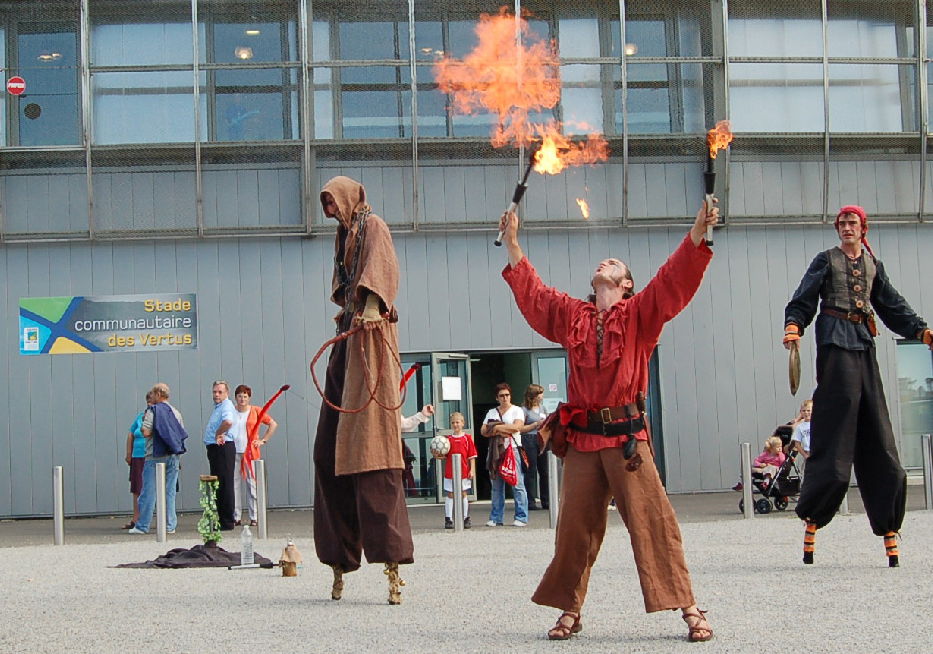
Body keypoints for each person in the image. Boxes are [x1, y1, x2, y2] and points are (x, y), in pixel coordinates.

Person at [497, 199, 718, 642]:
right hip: (581, 442)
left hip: (626, 441)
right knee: (574, 530)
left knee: (652, 522)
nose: (605, 262)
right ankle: (569, 610)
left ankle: (689, 606)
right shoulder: (571, 316)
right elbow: (536, 295)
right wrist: (514, 242)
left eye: (613, 263)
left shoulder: (641, 314)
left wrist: (698, 229)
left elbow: (674, 279)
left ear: (627, 283)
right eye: (602, 261)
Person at [783, 204, 933, 567]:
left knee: (877, 429)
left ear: (863, 228)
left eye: (852, 222)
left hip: (863, 343)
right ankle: (817, 507)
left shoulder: (871, 265)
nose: (846, 227)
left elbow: (890, 304)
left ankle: (888, 521)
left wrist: (920, 330)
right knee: (837, 424)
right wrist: (794, 325)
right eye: (841, 223)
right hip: (835, 342)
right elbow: (803, 297)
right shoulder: (826, 260)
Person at [313, 175, 412, 605]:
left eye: (333, 202)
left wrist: (371, 306)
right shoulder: (343, 234)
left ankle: (390, 563)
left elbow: (383, 269)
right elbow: (343, 288)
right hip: (348, 338)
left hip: (371, 339)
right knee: (326, 452)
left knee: (373, 454)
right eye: (326, 204)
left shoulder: (374, 226)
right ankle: (338, 556)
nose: (330, 210)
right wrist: (352, 312)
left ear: (350, 198)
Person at [128, 383, 187, 535]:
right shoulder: (176, 412)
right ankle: (170, 525)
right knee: (169, 492)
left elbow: (146, 432)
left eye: (153, 393)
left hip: (154, 456)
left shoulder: (152, 410)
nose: (152, 396)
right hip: (173, 456)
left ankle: (142, 525)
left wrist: (143, 428)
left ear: (159, 394)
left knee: (148, 491)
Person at [481, 382, 529, 527]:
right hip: (496, 450)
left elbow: (517, 427)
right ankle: (496, 517)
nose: (505, 398)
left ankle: (521, 516)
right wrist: (502, 429)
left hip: (512, 449)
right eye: (502, 396)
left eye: (507, 395)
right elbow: (484, 430)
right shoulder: (492, 412)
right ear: (497, 397)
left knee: (517, 483)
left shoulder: (517, 410)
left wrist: (495, 428)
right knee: (496, 485)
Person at [232, 384, 278, 527]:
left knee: (252, 484)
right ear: (236, 398)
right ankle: (236, 516)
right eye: (240, 396)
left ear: (249, 398)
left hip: (250, 453)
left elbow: (272, 424)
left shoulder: (255, 411)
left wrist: (263, 440)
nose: (242, 399)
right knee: (235, 484)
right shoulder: (231, 411)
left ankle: (254, 516)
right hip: (234, 452)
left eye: (245, 396)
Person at [204, 380, 237, 531]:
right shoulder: (218, 407)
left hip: (222, 447)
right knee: (219, 484)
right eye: (214, 392)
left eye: (220, 392)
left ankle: (227, 520)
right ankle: (223, 518)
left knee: (224, 484)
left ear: (226, 393)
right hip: (215, 448)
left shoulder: (226, 406)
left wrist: (218, 433)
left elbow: (228, 422)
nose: (216, 395)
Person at [439, 412, 477, 529]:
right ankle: (448, 518)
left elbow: (472, 455)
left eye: (457, 422)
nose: (455, 425)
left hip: (463, 471)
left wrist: (472, 470)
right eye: (453, 423)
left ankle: (465, 517)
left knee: (463, 493)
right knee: (450, 494)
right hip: (450, 472)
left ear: (463, 423)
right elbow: (444, 456)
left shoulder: (467, 438)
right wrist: (437, 454)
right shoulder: (447, 439)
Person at [520, 384, 548, 510]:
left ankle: (546, 500)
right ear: (534, 395)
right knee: (531, 470)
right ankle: (530, 501)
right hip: (529, 439)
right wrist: (535, 424)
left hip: (542, 439)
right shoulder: (524, 410)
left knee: (545, 471)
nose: (542, 396)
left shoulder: (543, 408)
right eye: (540, 393)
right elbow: (520, 428)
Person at [123, 395, 149, 530]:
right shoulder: (140, 416)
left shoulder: (157, 416)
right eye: (148, 401)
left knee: (150, 487)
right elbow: (130, 434)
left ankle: (151, 518)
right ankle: (136, 517)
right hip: (137, 455)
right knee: (136, 487)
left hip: (150, 456)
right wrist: (129, 454)